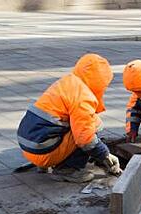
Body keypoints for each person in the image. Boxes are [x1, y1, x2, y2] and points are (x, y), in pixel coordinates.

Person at [17, 53, 121, 182]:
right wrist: (105, 154)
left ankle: (47, 164)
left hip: (31, 144)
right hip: (42, 150)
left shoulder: (68, 81)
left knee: (79, 125)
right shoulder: (83, 96)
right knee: (93, 126)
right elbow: (85, 138)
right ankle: (67, 170)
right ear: (101, 81)